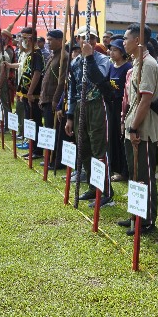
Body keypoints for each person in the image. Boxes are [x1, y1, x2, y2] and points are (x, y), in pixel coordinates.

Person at [65, 26, 115, 208]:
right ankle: (93, 187)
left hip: (97, 105)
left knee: (98, 147)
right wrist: (70, 116)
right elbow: (72, 90)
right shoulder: (74, 62)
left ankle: (106, 192)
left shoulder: (102, 60)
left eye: (93, 38)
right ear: (77, 40)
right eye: (85, 38)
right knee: (83, 147)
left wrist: (90, 57)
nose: (89, 42)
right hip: (80, 106)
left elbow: (99, 78)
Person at [119, 23, 158, 234]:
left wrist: (134, 127)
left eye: (126, 38)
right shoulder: (137, 63)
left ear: (138, 40)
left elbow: (145, 101)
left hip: (142, 128)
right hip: (132, 125)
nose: (123, 42)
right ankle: (135, 214)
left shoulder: (149, 65)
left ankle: (146, 220)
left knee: (144, 176)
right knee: (135, 175)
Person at [9, 27, 45, 158]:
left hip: (33, 95)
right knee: (30, 121)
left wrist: (30, 92)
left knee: (35, 121)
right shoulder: (29, 54)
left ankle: (37, 150)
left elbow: (37, 73)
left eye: (24, 38)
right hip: (25, 94)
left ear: (30, 39)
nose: (21, 40)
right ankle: (33, 147)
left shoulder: (36, 54)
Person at [38, 29, 68, 169]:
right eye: (47, 39)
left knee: (56, 132)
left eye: (51, 40)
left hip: (54, 100)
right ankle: (49, 157)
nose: (48, 42)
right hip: (47, 99)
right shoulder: (52, 55)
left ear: (60, 40)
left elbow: (62, 82)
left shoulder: (64, 57)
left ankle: (56, 161)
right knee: (49, 130)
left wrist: (56, 100)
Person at [107, 38, 132, 182]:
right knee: (113, 138)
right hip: (112, 106)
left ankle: (125, 170)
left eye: (115, 50)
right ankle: (115, 167)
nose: (111, 52)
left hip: (122, 106)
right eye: (111, 50)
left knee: (122, 138)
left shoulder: (127, 68)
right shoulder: (111, 66)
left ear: (122, 52)